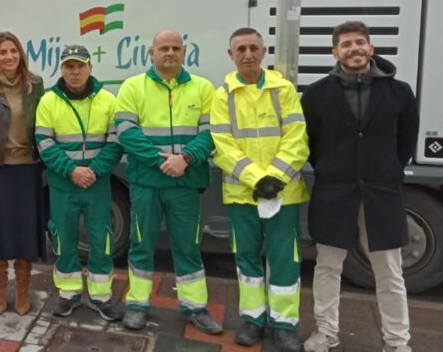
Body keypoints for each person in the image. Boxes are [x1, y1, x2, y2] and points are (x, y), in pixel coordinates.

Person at [301, 21, 418, 352]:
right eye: (347, 44)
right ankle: (326, 332)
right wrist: (329, 169)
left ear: (371, 48)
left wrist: (389, 171)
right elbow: (310, 142)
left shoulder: (399, 92)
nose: (354, 49)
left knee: (390, 272)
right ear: (334, 52)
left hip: (381, 194)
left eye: (360, 43)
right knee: (327, 267)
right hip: (334, 193)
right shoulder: (317, 93)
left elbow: (405, 142)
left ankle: (397, 342)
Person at [116, 29, 223, 334]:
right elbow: (126, 131)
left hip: (185, 184)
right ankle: (137, 304)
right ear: (151, 53)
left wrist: (185, 159)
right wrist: (163, 160)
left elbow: (211, 133)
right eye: (164, 47)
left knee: (188, 247)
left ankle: (194, 308)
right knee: (141, 244)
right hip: (146, 183)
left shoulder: (203, 88)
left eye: (176, 47)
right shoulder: (133, 87)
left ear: (185, 52)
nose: (170, 52)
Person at [210, 28, 308, 352]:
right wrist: (258, 180)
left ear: (263, 52)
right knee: (247, 260)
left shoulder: (284, 90)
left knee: (285, 261)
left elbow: (297, 138)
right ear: (231, 55)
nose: (248, 54)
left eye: (254, 48)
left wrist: (276, 178)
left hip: (284, 194)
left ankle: (284, 326)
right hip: (242, 195)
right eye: (241, 49)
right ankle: (252, 321)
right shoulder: (223, 94)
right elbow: (222, 145)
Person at [35, 45, 125, 322]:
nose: (75, 72)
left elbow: (115, 141)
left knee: (102, 240)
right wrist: (72, 171)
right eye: (69, 66)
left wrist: (94, 171)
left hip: (97, 185)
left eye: (80, 66)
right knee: (64, 240)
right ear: (62, 69)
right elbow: (44, 143)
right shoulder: (48, 101)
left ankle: (101, 297)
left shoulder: (108, 100)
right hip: (63, 185)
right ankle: (68, 294)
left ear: (90, 68)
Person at [0, 32, 45, 315]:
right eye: (3, 52)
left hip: (28, 169)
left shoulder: (35, 84)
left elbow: (45, 125)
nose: (9, 57)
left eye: (13, 51)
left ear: (20, 54)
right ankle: (0, 287)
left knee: (25, 230)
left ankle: (23, 289)